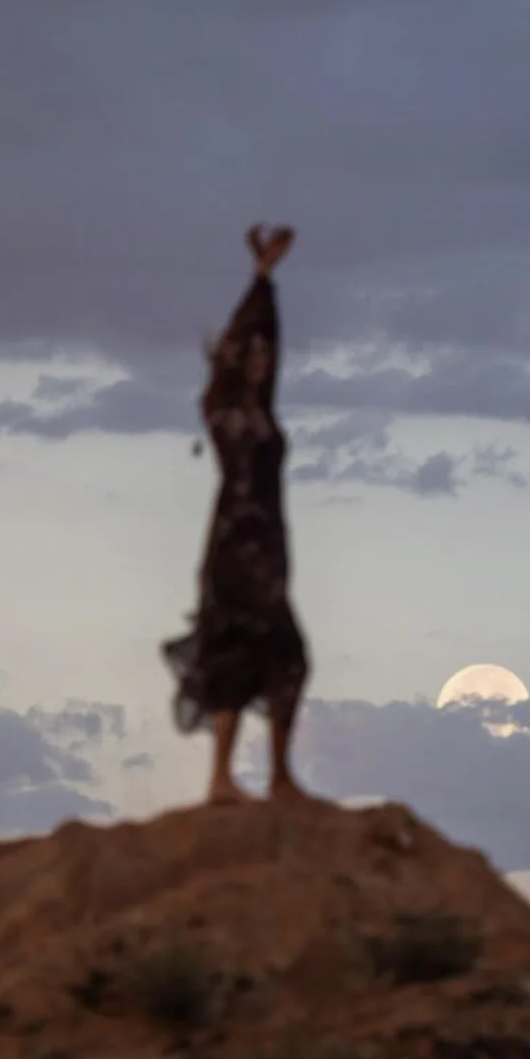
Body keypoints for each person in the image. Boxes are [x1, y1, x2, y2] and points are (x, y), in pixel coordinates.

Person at [162, 224, 313, 806]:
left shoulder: (258, 410)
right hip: (235, 548)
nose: (258, 362)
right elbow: (248, 343)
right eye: (246, 355)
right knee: (234, 650)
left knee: (285, 658)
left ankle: (278, 776)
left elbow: (267, 350)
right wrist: (258, 282)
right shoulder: (224, 413)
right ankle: (223, 779)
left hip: (267, 549)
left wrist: (267, 280)